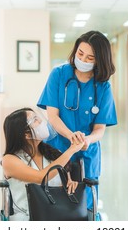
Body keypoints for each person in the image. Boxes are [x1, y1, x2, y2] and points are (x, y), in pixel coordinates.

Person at [37, 30, 118, 212]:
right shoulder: (58, 74)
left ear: (100, 60)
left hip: (87, 152)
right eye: (80, 53)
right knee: (54, 202)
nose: (83, 59)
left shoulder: (103, 86)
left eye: (90, 57)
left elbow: (100, 129)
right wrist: (71, 135)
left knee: (86, 206)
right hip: (57, 146)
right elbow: (52, 116)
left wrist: (87, 140)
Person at [1, 107, 84, 221]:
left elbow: (65, 183)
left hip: (57, 214)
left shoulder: (54, 154)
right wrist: (72, 149)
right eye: (35, 120)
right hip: (26, 218)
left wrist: (70, 184)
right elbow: (40, 177)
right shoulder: (10, 160)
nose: (42, 122)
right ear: (26, 134)